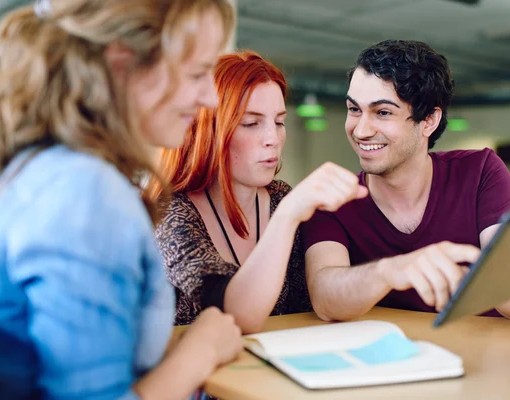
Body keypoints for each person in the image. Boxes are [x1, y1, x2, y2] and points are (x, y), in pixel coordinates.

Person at [0, 0, 243, 398]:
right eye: (197, 73)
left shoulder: (48, 168)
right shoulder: (85, 194)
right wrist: (201, 350)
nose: (210, 97)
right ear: (122, 64)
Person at [302, 39, 510, 322]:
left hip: (490, 353)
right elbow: (326, 301)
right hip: (402, 358)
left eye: (383, 112)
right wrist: (389, 271)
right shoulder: (333, 201)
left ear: (428, 121)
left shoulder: (480, 172)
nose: (361, 130)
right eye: (354, 109)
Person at [150, 50, 367, 334]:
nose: (273, 139)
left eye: (279, 122)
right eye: (251, 124)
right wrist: (289, 214)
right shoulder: (170, 213)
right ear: (208, 132)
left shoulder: (280, 199)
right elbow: (235, 317)